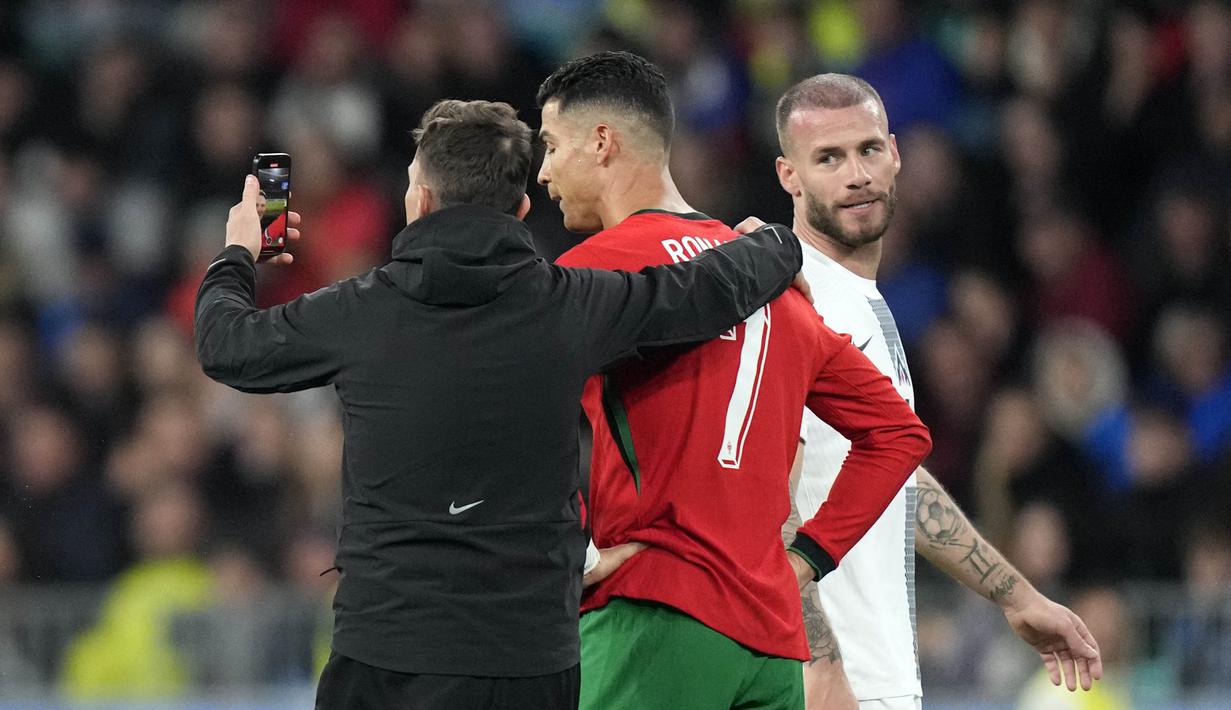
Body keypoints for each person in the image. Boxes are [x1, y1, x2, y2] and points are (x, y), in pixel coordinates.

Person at [194, 98, 808, 710]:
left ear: (421, 202)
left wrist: (239, 253)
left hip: (387, 656)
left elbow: (226, 345)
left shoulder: (359, 312)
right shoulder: (572, 308)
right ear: (520, 210)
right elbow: (700, 291)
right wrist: (777, 244)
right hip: (530, 662)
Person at [537, 51, 932, 709]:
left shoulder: (589, 277)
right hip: (771, 645)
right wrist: (806, 560)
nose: (544, 170)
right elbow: (899, 433)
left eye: (551, 146)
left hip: (656, 613)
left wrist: (572, 555)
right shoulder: (777, 284)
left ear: (601, 143)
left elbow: (500, 419)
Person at [773, 73, 1103, 710]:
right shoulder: (791, 300)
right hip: (826, 688)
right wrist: (820, 666)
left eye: (868, 150)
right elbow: (769, 503)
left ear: (895, 154)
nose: (857, 175)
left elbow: (893, 480)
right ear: (790, 175)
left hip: (877, 681)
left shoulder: (861, 304)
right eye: (828, 158)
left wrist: (1016, 595)